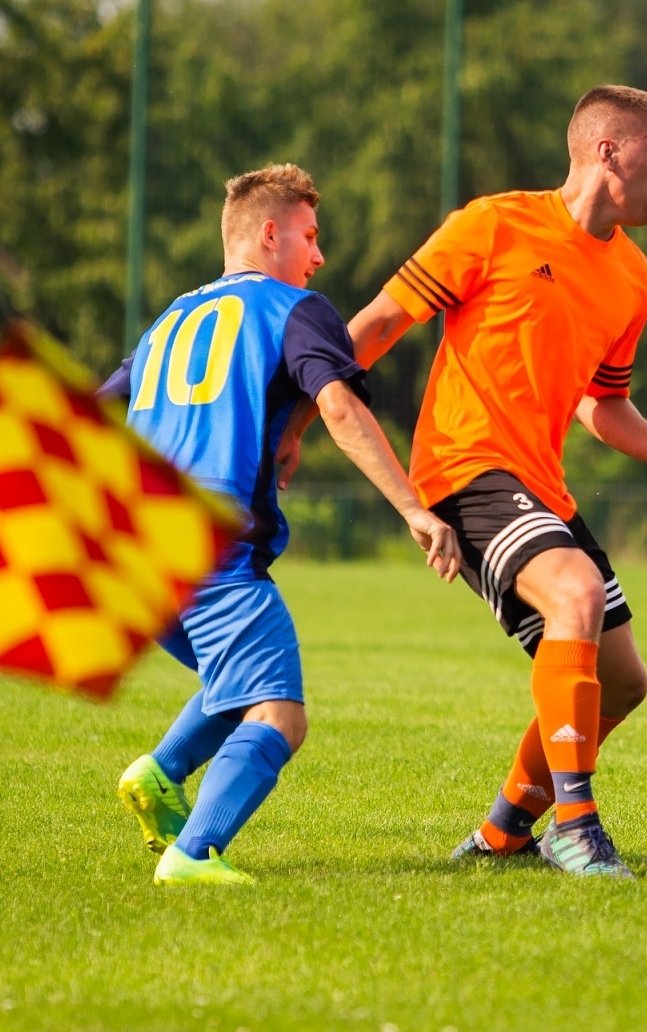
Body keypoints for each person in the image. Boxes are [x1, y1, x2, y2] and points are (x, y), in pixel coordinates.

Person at [343, 85, 647, 877]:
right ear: (606, 150)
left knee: (624, 683)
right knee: (575, 596)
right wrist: (302, 415)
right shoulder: (495, 224)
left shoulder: (634, 279)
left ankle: (507, 830)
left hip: (540, 486)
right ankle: (577, 827)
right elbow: (376, 326)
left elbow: (603, 402)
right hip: (460, 466)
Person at [102, 164, 459, 887]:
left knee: (242, 678)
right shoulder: (294, 308)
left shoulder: (171, 318)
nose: (318, 256)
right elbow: (341, 408)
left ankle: (160, 773)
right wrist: (414, 507)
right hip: (212, 549)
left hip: (135, 550)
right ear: (270, 234)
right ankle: (194, 855)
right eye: (309, 235)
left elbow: (90, 412)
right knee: (278, 713)